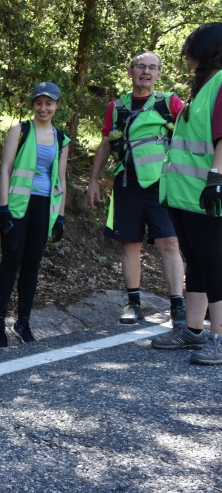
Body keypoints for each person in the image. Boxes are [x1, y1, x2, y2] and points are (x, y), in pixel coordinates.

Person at [87, 51, 186, 326]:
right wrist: (94, 180)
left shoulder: (169, 102)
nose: (146, 71)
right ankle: (133, 303)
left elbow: (191, 135)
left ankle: (178, 305)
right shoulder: (117, 106)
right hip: (127, 184)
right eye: (140, 66)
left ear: (158, 74)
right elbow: (106, 145)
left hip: (163, 186)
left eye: (152, 67)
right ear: (130, 71)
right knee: (130, 245)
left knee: (170, 243)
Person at [151, 22, 222, 365]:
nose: (186, 53)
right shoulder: (205, 84)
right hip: (184, 193)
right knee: (196, 261)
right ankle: (193, 330)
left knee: (214, 263)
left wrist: (216, 177)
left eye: (191, 46)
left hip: (205, 191)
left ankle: (219, 337)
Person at [0, 82, 70, 348]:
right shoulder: (20, 131)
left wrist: (61, 216)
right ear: (33, 104)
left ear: (57, 105)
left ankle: (23, 322)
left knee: (32, 265)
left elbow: (61, 179)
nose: (43, 108)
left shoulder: (62, 139)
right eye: (39, 102)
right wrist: (3, 208)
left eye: (49, 103)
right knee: (11, 262)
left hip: (45, 207)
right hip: (18, 205)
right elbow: (5, 169)